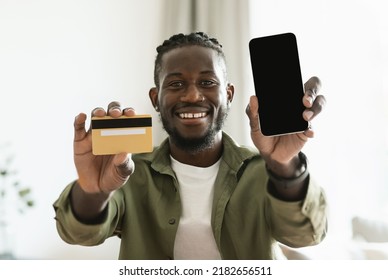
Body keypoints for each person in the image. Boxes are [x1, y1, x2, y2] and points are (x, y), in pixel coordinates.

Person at [53, 31, 327, 260]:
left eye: (207, 82)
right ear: (155, 98)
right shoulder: (129, 172)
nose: (192, 95)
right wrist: (94, 191)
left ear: (228, 94)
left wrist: (283, 166)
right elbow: (79, 233)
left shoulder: (262, 172)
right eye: (176, 84)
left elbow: (306, 234)